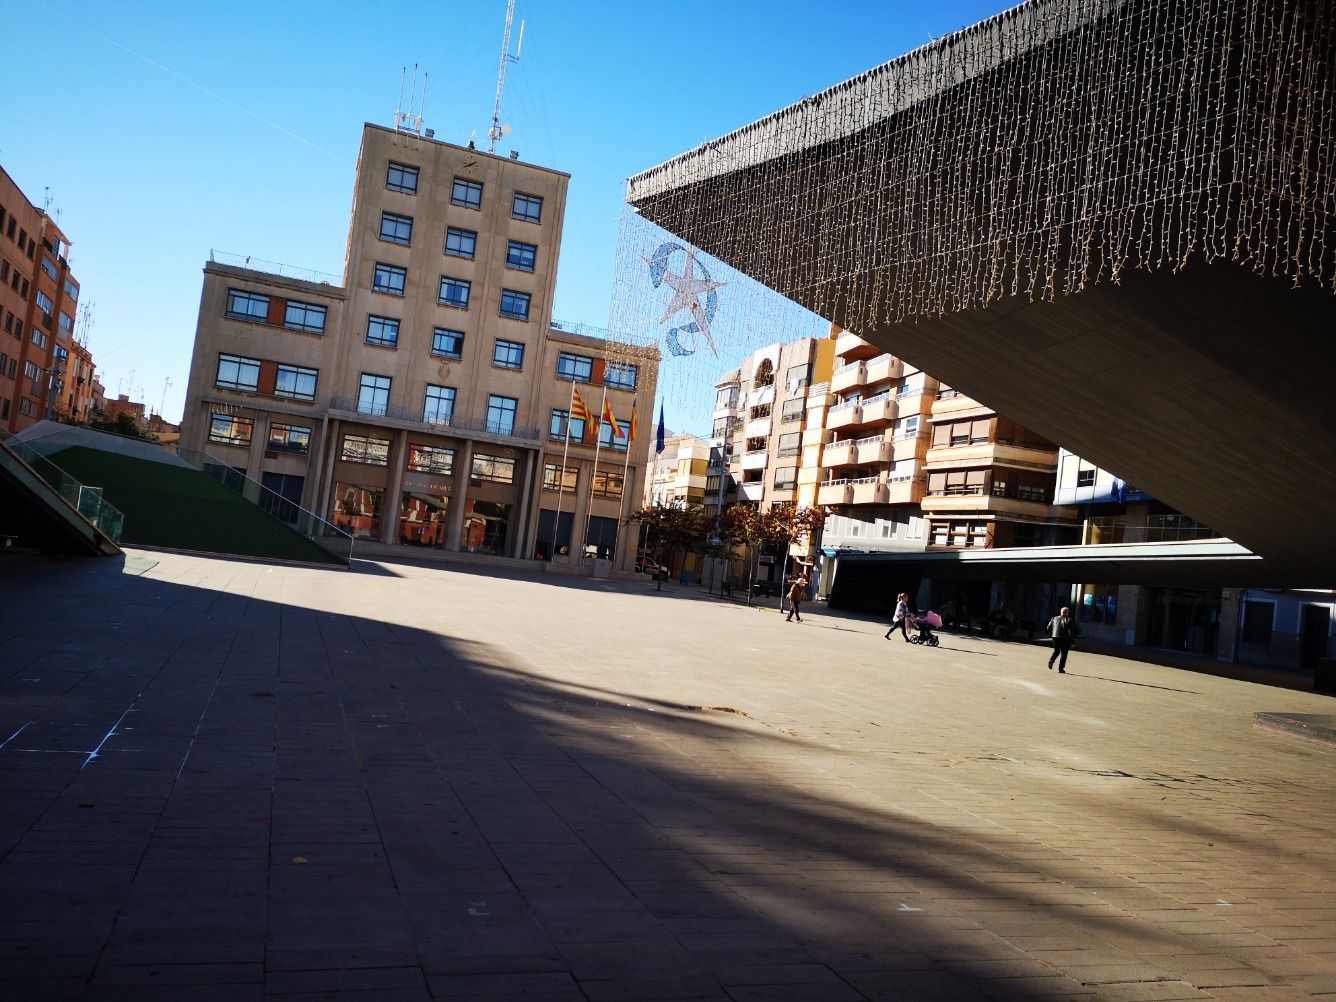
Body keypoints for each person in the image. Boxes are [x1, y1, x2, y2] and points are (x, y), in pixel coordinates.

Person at [1046, 606, 1081, 673]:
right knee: (1064, 654)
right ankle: (1061, 668)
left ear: (1061, 612)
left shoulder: (1054, 618)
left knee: (1056, 651)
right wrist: (1072, 642)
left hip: (1055, 637)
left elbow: (1048, 627)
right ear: (1067, 613)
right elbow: (1071, 632)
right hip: (1065, 639)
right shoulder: (1069, 620)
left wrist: (1052, 634)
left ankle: (1051, 660)